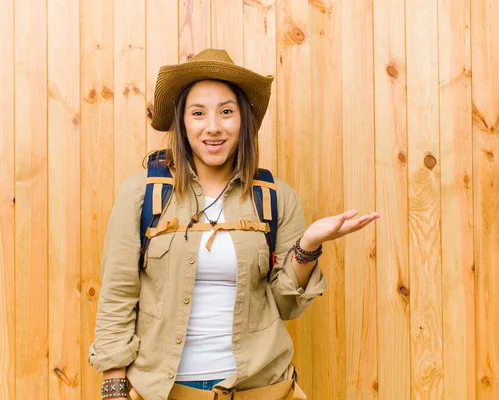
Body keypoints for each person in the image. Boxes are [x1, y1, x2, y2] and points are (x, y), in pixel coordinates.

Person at [88, 49, 380, 400]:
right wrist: (113, 388)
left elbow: (286, 305)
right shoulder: (142, 193)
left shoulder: (276, 198)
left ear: (243, 120)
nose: (213, 126)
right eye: (198, 113)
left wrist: (309, 245)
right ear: (182, 122)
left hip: (263, 389)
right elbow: (118, 295)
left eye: (226, 112)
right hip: (164, 390)